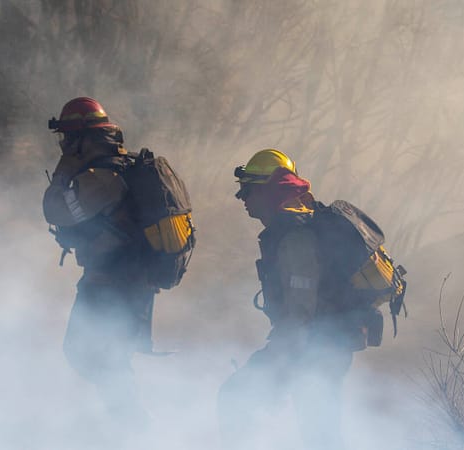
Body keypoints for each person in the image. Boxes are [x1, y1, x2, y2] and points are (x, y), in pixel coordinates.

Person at [42, 97, 193, 431]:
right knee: (103, 357)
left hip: (112, 284)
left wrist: (61, 175)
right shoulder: (118, 170)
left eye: (68, 137)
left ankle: (137, 427)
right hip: (125, 282)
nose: (65, 145)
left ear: (82, 138)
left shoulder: (101, 178)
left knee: (94, 356)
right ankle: (127, 424)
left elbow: (56, 211)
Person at [218, 149, 371, 450]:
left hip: (313, 349)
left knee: (238, 398)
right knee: (319, 431)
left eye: (248, 190)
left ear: (269, 191)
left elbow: (301, 311)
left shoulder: (294, 239)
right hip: (321, 346)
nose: (243, 199)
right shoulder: (292, 230)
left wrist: (278, 358)